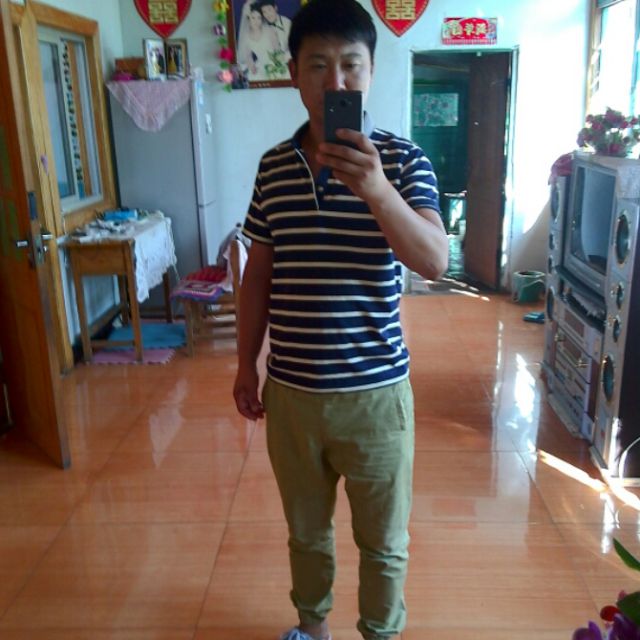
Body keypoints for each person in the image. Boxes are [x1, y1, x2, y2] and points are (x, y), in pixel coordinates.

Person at [233, 1, 449, 639]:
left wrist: (377, 189)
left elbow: (434, 260)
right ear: (293, 74)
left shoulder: (404, 162)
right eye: (318, 65)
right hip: (292, 394)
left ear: (372, 71)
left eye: (351, 65)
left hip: (376, 397)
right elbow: (258, 275)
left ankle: (380, 634)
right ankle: (313, 629)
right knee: (305, 532)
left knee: (384, 541)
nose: (336, 82)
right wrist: (245, 364)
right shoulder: (274, 167)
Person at [236, 0, 280, 81]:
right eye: (253, 18)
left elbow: (277, 50)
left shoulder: (269, 31)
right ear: (248, 19)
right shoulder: (246, 38)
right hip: (260, 67)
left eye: (259, 18)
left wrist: (277, 65)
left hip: (275, 64)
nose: (256, 21)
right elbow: (248, 56)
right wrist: (252, 67)